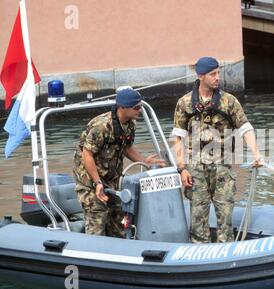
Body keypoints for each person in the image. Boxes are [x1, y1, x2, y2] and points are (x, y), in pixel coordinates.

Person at [172, 57, 263, 244]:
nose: (217, 77)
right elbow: (178, 138)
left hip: (222, 166)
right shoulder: (185, 103)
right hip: (196, 168)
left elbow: (246, 128)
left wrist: (256, 153)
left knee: (225, 216)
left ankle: (226, 253)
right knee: (197, 217)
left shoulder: (229, 101)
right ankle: (199, 254)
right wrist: (182, 168)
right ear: (201, 76)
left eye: (218, 73)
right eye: (213, 74)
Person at [73, 87, 165, 237]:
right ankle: (93, 253)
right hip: (90, 181)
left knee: (120, 218)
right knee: (97, 217)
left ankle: (120, 249)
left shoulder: (130, 124)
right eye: (136, 107)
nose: (139, 110)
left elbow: (126, 147)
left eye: (140, 106)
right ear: (122, 107)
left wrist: (144, 161)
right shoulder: (101, 126)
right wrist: (97, 183)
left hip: (111, 179)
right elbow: (87, 154)